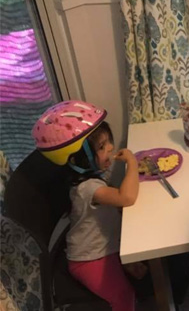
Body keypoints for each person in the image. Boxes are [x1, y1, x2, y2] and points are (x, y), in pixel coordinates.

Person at [32, 101, 142, 310]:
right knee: (124, 296)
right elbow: (126, 198)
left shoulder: (92, 178)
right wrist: (133, 163)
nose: (110, 147)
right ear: (80, 160)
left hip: (104, 245)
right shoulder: (87, 189)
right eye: (102, 147)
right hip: (89, 259)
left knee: (136, 270)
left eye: (108, 141)